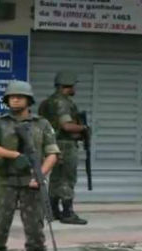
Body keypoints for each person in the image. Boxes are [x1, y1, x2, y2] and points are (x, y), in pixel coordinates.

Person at [0, 80, 62, 251]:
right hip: (6, 182)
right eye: (11, 96)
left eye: (20, 96)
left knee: (35, 229)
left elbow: (52, 153)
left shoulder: (42, 124)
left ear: (28, 100)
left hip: (31, 183)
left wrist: (40, 175)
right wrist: (14, 155)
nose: (15, 99)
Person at [38, 71, 89, 225]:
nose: (75, 88)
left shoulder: (48, 102)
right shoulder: (62, 102)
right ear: (67, 85)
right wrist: (83, 128)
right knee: (67, 178)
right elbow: (66, 126)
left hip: (52, 144)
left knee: (56, 178)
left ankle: (53, 211)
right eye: (73, 85)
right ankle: (67, 212)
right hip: (65, 144)